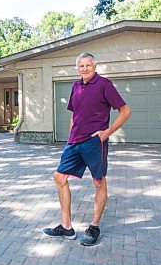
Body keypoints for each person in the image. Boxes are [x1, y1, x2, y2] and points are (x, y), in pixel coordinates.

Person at [43, 52, 131, 246]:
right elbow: (74, 114)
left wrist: (106, 133)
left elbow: (125, 111)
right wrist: (70, 136)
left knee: (98, 182)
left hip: (94, 142)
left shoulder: (104, 85)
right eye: (81, 66)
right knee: (59, 177)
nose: (85, 69)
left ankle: (94, 226)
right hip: (74, 141)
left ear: (95, 66)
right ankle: (66, 227)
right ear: (77, 68)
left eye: (88, 65)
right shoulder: (75, 86)